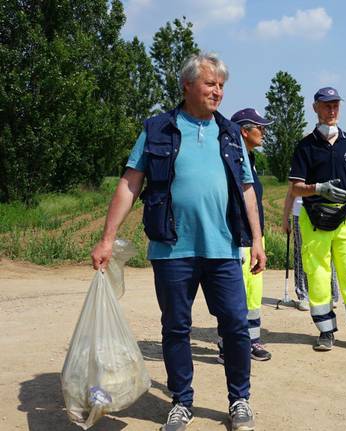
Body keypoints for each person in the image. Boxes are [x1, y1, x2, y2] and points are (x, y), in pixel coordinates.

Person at [90, 52, 264, 431]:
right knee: (175, 328)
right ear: (187, 86)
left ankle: (240, 400)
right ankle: (182, 402)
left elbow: (248, 188)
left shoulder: (231, 134)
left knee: (235, 324)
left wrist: (257, 238)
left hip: (222, 248)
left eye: (221, 85)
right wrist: (107, 238)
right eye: (209, 84)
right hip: (172, 249)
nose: (217, 91)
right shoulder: (157, 130)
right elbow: (129, 184)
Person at [288, 87, 346, 355]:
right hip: (314, 218)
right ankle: (325, 331)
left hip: (345, 217)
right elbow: (295, 187)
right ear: (315, 107)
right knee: (318, 275)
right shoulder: (305, 146)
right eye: (327, 105)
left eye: (336, 105)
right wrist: (318, 188)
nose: (332, 111)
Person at [214, 108, 274, 363]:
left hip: (253, 238)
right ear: (243, 131)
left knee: (252, 292)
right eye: (259, 127)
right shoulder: (230, 162)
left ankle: (252, 340)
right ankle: (226, 345)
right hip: (235, 237)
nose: (264, 132)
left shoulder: (250, 160)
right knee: (232, 294)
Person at [282, 184, 340, 311]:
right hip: (300, 211)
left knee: (327, 253)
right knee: (302, 254)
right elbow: (292, 190)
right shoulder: (298, 164)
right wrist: (285, 217)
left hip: (326, 210)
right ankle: (303, 296)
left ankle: (331, 295)